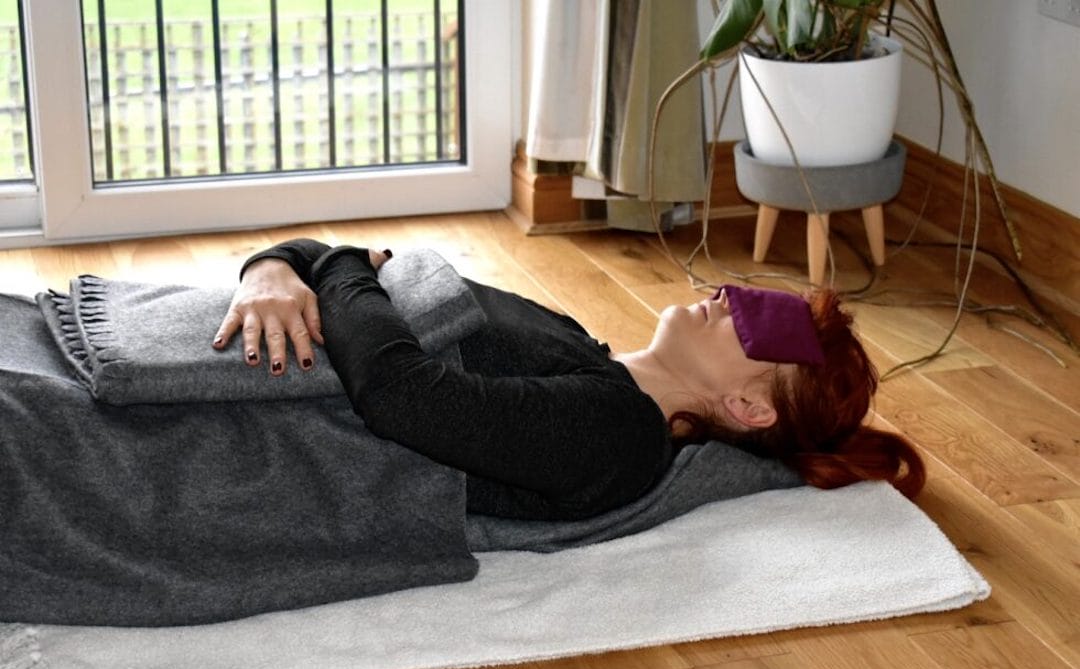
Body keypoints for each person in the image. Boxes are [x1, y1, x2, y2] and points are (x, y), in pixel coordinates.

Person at [212, 238, 925, 521]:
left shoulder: (614, 434)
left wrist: (336, 267)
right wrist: (268, 272)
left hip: (233, 419)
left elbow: (402, 395)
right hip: (245, 335)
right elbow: (332, 259)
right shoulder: (580, 345)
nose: (728, 298)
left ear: (746, 406)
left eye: (757, 329)